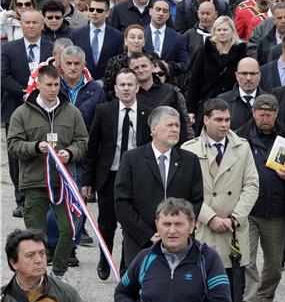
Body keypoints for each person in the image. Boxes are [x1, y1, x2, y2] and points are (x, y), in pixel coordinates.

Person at [7, 64, 88, 282]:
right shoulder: (22, 113)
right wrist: (35, 147)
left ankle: (59, 273)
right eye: (48, 85)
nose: (53, 89)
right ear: (38, 85)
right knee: (34, 237)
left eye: (56, 84)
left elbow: (82, 141)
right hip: (34, 182)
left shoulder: (72, 112)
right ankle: (36, 277)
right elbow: (13, 145)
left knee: (68, 230)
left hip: (63, 183)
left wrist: (70, 153)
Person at [183, 98, 260, 302]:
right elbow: (185, 191)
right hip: (202, 230)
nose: (224, 124)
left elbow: (252, 184)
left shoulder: (242, 147)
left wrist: (235, 217)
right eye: (218, 120)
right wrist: (210, 218)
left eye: (227, 120)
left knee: (232, 297)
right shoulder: (188, 150)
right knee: (200, 296)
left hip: (233, 233)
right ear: (205, 120)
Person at [114, 198, 233, 302]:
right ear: (157, 226)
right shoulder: (144, 258)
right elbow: (121, 293)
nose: (172, 231)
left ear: (192, 226)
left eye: (178, 224)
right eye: (166, 224)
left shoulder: (208, 259)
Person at [237, 94, 285, 302]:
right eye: (260, 114)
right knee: (247, 257)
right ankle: (248, 301)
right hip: (249, 209)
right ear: (253, 113)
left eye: (269, 114)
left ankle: (265, 297)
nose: (264, 118)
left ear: (276, 114)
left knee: (275, 262)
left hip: (277, 210)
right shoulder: (240, 136)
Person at [114, 106, 204, 270]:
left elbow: (196, 200)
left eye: (177, 125)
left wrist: (178, 229)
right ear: (153, 129)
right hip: (140, 242)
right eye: (170, 125)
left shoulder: (190, 161)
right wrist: (149, 234)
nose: (175, 129)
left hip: (178, 242)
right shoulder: (132, 159)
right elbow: (122, 203)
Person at [83, 69, 151, 281]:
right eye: (122, 85)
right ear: (115, 89)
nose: (126, 89)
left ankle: (125, 265)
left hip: (136, 177)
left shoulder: (148, 113)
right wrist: (88, 180)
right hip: (109, 175)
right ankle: (105, 257)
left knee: (130, 223)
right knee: (107, 222)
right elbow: (93, 147)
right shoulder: (104, 111)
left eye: (130, 85)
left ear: (137, 87)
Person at [1, 228, 92, 302]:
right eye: (30, 255)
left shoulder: (66, 294)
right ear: (13, 262)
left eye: (42, 253)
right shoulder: (3, 301)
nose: (38, 260)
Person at [187, 16, 248, 123]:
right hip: (208, 102)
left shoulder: (241, 51)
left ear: (232, 31)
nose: (222, 33)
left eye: (225, 30)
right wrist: (191, 110)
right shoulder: (205, 51)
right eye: (218, 30)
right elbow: (194, 82)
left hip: (233, 103)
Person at [71, 0, 125, 81]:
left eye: (99, 10)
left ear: (107, 13)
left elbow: (119, 64)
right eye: (92, 10)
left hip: (108, 86)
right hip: (81, 84)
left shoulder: (118, 37)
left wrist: (104, 81)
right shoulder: (76, 34)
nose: (94, 13)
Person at [144, 0, 190, 79]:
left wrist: (169, 67)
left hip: (168, 84)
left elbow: (185, 64)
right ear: (150, 11)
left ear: (168, 15)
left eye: (165, 11)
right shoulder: (140, 34)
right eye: (158, 9)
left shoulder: (178, 38)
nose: (161, 13)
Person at [218, 57, 265, 131]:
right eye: (244, 73)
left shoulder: (270, 101)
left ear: (259, 75)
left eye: (252, 73)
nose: (248, 78)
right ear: (237, 75)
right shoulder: (222, 101)